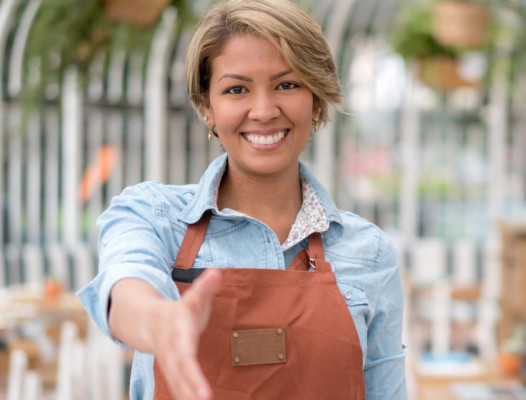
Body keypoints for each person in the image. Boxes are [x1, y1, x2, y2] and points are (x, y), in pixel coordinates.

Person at [77, 0, 407, 399]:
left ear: (315, 99)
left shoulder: (369, 253)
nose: (264, 111)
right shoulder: (155, 217)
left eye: (287, 84)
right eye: (236, 89)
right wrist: (161, 323)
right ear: (207, 107)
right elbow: (127, 284)